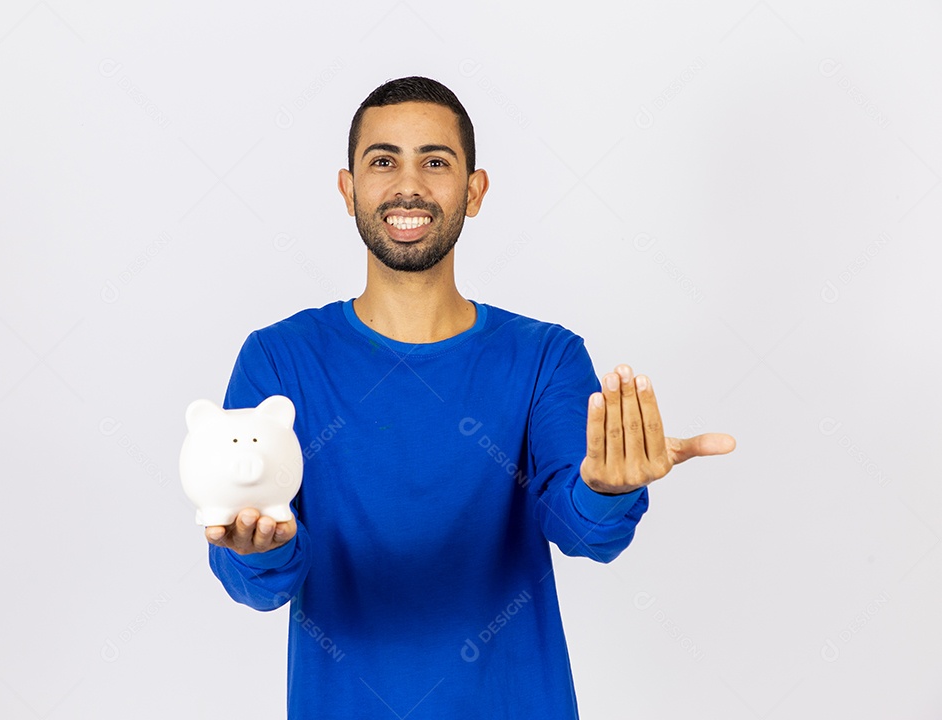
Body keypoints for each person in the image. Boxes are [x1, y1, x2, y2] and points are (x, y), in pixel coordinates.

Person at [203, 76, 736, 719]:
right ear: (348, 191)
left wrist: (608, 488)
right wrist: (262, 550)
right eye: (382, 161)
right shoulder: (278, 360)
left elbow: (583, 529)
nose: (409, 185)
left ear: (474, 191)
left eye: (435, 161)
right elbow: (254, 576)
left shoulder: (546, 357)